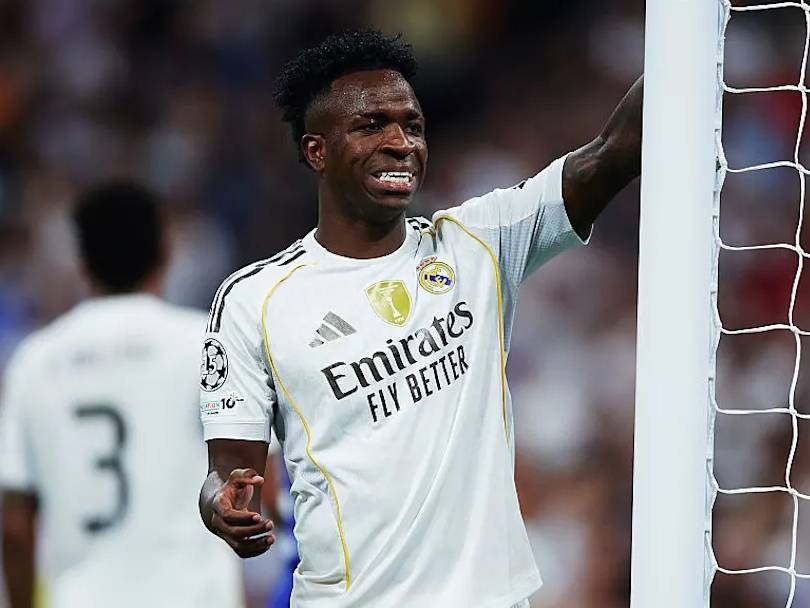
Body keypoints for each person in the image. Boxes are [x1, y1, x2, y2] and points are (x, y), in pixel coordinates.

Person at [198, 29, 642, 607]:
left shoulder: (479, 243)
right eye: (371, 126)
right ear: (316, 151)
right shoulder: (255, 299)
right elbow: (228, 471)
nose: (400, 142)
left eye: (412, 126)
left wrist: (696, 33)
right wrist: (223, 505)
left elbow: (613, 151)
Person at [0, 181, 243, 608]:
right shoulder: (206, 344)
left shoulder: (35, 362)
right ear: (166, 254)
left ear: (81, 263)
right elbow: (253, 479)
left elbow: (16, 527)